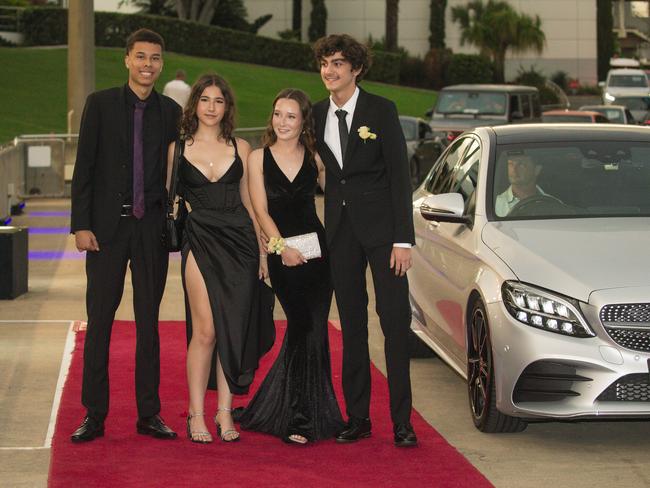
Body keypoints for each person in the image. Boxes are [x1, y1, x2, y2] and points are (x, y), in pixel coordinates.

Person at [70, 28, 181, 443]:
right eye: (140, 56)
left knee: (149, 324)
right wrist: (81, 224)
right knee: (99, 322)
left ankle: (149, 414)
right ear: (126, 59)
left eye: (154, 57)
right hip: (104, 232)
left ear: (161, 64)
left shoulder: (171, 111)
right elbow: (84, 168)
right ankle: (93, 414)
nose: (147, 64)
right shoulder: (98, 105)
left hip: (149, 230)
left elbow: (178, 170)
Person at [312, 34, 418, 447]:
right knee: (352, 328)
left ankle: (402, 423)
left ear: (356, 69)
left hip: (384, 237)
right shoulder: (316, 113)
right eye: (324, 62)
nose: (329, 70)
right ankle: (357, 418)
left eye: (338, 63)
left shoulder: (382, 110)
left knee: (394, 323)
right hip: (340, 235)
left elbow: (399, 178)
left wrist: (403, 240)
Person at [238, 88, 345, 444]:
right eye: (277, 114)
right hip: (282, 254)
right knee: (302, 326)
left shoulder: (316, 157)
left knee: (313, 331)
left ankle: (309, 411)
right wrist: (279, 249)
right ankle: (299, 415)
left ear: (303, 122)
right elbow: (260, 211)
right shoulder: (257, 159)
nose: (282, 122)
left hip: (317, 257)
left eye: (290, 116)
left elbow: (339, 196)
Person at [172, 73, 274, 444]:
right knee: (206, 330)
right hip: (199, 240)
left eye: (219, 101)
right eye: (205, 100)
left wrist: (263, 252)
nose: (212, 107)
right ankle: (196, 413)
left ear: (226, 107)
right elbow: (170, 202)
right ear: (194, 104)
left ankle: (225, 412)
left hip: (241, 242)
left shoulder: (241, 147)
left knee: (233, 328)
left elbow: (252, 203)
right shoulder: (178, 149)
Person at [495, 152, 546, 216]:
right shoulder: (495, 205)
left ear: (537, 170)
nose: (514, 169)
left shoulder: (554, 205)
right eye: (510, 164)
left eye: (521, 164)